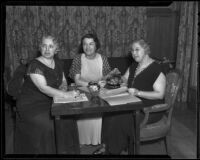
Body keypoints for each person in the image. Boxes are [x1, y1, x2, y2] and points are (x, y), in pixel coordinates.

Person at [93, 39, 166, 154]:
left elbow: (160, 94)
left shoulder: (156, 68)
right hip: (133, 104)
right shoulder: (134, 65)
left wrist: (138, 93)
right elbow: (124, 79)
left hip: (149, 110)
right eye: (132, 50)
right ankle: (106, 146)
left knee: (120, 118)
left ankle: (112, 151)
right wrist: (109, 78)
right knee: (109, 112)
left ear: (146, 50)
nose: (134, 53)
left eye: (137, 50)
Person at [14, 35, 80, 154]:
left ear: (56, 49)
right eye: (44, 46)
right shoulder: (34, 65)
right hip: (32, 105)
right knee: (51, 125)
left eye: (51, 46)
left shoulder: (59, 63)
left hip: (51, 101)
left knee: (69, 120)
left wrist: (64, 86)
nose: (47, 49)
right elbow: (43, 88)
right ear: (40, 48)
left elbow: (63, 80)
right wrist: (66, 95)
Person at [69, 33, 111, 146]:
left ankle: (98, 140)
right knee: (82, 112)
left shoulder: (103, 58)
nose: (88, 47)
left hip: (98, 92)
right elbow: (77, 81)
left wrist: (105, 80)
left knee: (100, 109)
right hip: (82, 91)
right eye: (85, 44)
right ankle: (81, 141)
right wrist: (94, 84)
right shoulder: (78, 58)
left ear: (96, 45)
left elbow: (107, 77)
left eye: (91, 44)